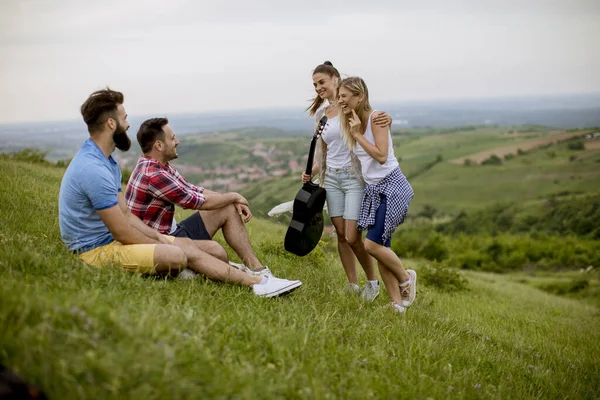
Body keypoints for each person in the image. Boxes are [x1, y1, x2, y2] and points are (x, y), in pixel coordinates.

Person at [58, 88, 302, 298]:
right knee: (176, 255)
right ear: (111, 124)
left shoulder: (107, 162)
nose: (128, 124)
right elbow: (121, 230)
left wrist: (160, 237)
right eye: (124, 118)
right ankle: (258, 284)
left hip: (119, 239)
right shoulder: (93, 169)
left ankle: (243, 276)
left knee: (211, 251)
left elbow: (126, 215)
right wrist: (164, 242)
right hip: (94, 251)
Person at [125, 117, 272, 278]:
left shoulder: (159, 166)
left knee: (227, 207)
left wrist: (232, 201)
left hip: (172, 231)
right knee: (217, 252)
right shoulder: (154, 175)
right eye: (172, 138)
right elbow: (198, 202)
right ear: (159, 145)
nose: (177, 141)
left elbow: (195, 190)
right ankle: (192, 270)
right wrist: (234, 195)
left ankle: (257, 269)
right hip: (160, 243)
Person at [301, 61, 391, 302]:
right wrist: (312, 170)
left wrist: (387, 118)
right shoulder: (321, 116)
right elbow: (325, 151)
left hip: (354, 179)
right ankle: (352, 285)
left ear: (335, 79)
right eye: (315, 84)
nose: (318, 87)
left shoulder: (348, 106)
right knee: (341, 235)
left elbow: (372, 115)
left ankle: (372, 283)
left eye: (321, 82)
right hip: (330, 179)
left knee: (353, 236)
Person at [337, 77, 416, 313]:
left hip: (392, 186)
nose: (340, 100)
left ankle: (406, 279)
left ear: (360, 96)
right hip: (374, 189)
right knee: (382, 248)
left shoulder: (376, 118)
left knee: (371, 245)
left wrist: (358, 135)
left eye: (345, 96)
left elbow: (381, 156)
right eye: (339, 96)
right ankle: (396, 305)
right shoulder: (351, 120)